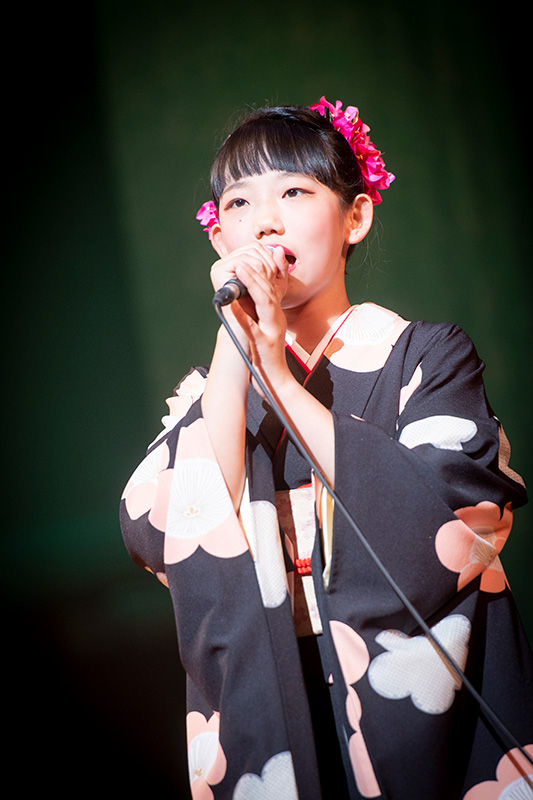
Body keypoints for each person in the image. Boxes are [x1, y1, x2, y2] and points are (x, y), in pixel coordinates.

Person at [120, 97, 533, 799]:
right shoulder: (209, 394)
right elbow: (170, 529)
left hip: (416, 688)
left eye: (293, 192)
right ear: (219, 240)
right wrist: (240, 344)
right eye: (239, 202)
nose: (264, 220)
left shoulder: (425, 357)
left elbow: (451, 514)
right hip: (279, 687)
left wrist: (278, 377)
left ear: (355, 217)